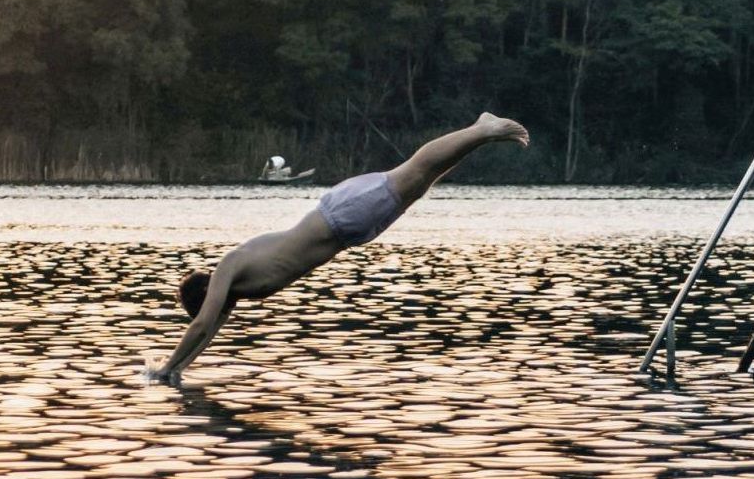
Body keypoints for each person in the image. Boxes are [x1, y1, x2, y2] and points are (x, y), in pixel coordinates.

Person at [147, 113, 529, 383]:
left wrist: (164, 367)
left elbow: (200, 326)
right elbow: (206, 332)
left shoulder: (229, 267)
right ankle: (480, 135)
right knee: (423, 180)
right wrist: (177, 369)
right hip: (349, 226)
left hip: (341, 215)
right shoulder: (236, 288)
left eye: (209, 306)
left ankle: (481, 128)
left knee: (413, 170)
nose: (218, 312)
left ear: (205, 293)